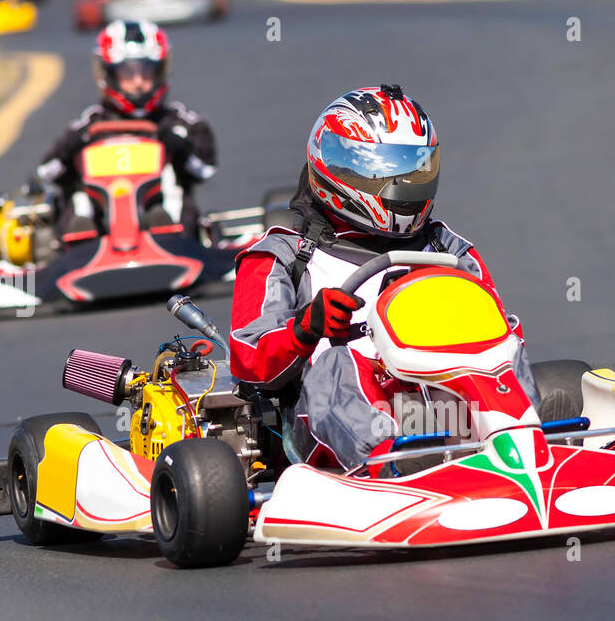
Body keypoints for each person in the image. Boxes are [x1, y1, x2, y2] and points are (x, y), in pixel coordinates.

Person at [230, 84, 537, 472]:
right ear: (337, 169)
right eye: (384, 171)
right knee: (336, 364)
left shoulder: (448, 251)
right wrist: (306, 328)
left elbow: (498, 340)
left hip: (448, 400)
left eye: (412, 170)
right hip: (329, 422)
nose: (403, 186)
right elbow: (248, 358)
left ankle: (528, 448)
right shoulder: (284, 256)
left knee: (507, 344)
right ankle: (393, 466)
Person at [35, 19, 217, 241]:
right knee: (77, 193)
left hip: (164, 215)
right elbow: (47, 171)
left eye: (147, 72)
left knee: (172, 188)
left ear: (160, 72)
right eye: (128, 73)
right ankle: (82, 243)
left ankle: (171, 237)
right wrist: (70, 149)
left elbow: (205, 169)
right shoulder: (89, 125)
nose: (139, 82)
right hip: (100, 226)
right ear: (108, 75)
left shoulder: (180, 123)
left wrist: (178, 148)